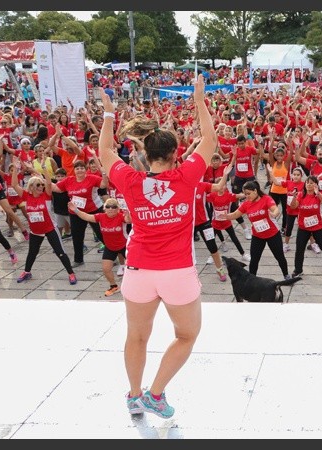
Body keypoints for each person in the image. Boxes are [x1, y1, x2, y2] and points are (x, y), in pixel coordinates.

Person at [98, 75, 217, 419]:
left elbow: (105, 151)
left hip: (137, 270)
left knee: (136, 336)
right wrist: (198, 100)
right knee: (187, 334)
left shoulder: (130, 180)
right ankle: (156, 393)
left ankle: (134, 396)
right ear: (176, 153)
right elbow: (209, 138)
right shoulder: (187, 176)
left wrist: (108, 113)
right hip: (177, 272)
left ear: (146, 154)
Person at [10, 174, 77, 285]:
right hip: (35, 231)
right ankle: (27, 272)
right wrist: (15, 169)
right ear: (31, 187)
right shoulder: (26, 196)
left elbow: (49, 183)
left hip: (50, 228)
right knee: (32, 252)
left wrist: (45, 170)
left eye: (42, 184)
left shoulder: (46, 195)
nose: (41, 186)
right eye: (38, 185)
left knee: (60, 252)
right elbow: (14, 184)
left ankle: (71, 273)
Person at [224, 180, 291, 279]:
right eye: (245, 194)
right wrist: (225, 216)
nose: (247, 196)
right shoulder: (246, 204)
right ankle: (251, 279)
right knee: (254, 259)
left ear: (255, 191)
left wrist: (274, 214)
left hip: (272, 234)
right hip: (257, 236)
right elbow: (235, 214)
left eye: (248, 194)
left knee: (279, 256)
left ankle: (286, 275)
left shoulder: (266, 199)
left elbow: (275, 209)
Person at [68, 197, 130, 297]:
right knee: (106, 269)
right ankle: (114, 286)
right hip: (110, 247)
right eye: (108, 207)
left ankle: (141, 286)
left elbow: (129, 220)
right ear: (104, 208)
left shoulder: (121, 216)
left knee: (136, 268)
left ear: (117, 209)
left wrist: (129, 215)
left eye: (114, 207)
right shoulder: (101, 217)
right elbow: (87, 217)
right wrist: (75, 209)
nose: (111, 209)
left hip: (124, 246)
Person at [52, 160, 107, 267]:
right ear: (74, 170)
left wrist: (103, 173)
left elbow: (104, 184)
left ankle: (112, 254)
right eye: (77, 168)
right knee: (77, 236)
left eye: (82, 168)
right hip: (76, 212)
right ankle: (78, 260)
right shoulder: (69, 180)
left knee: (102, 234)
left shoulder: (92, 178)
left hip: (94, 210)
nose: (79, 170)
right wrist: (43, 178)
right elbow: (55, 188)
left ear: (86, 170)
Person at [289, 176, 322, 277]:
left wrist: (318, 192)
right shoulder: (300, 195)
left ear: (316, 184)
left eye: (311, 183)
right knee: (299, 249)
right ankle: (298, 269)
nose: (309, 185)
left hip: (318, 226)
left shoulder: (318, 195)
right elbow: (293, 206)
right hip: (303, 227)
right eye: (307, 183)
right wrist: (293, 197)